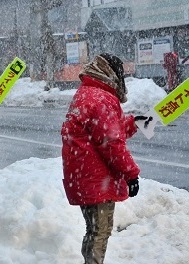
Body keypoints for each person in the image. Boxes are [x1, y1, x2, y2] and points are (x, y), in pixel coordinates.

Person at [61, 54, 142, 264]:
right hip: (96, 179)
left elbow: (107, 129)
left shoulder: (88, 94)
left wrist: (137, 122)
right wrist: (131, 174)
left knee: (94, 230)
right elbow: (112, 142)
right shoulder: (101, 98)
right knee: (100, 231)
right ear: (110, 73)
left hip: (85, 177)